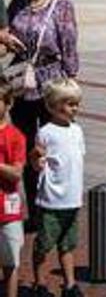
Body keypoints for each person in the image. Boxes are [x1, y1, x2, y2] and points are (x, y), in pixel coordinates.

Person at [6, 0, 79, 234]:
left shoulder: (62, 7)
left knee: (52, 147)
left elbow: (69, 44)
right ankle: (36, 214)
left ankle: (55, 207)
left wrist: (71, 81)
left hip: (51, 86)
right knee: (24, 149)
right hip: (22, 85)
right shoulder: (17, 4)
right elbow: (6, 36)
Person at [30, 79, 85, 297]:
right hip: (52, 199)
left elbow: (77, 161)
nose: (75, 108)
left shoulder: (77, 130)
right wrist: (36, 159)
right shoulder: (46, 132)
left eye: (77, 104)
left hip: (72, 199)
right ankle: (40, 283)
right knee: (44, 244)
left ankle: (69, 284)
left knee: (68, 244)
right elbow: (36, 163)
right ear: (53, 106)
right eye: (70, 104)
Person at [0, 83, 25, 297]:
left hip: (8, 211)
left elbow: (16, 173)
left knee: (11, 263)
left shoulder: (15, 136)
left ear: (8, 103)